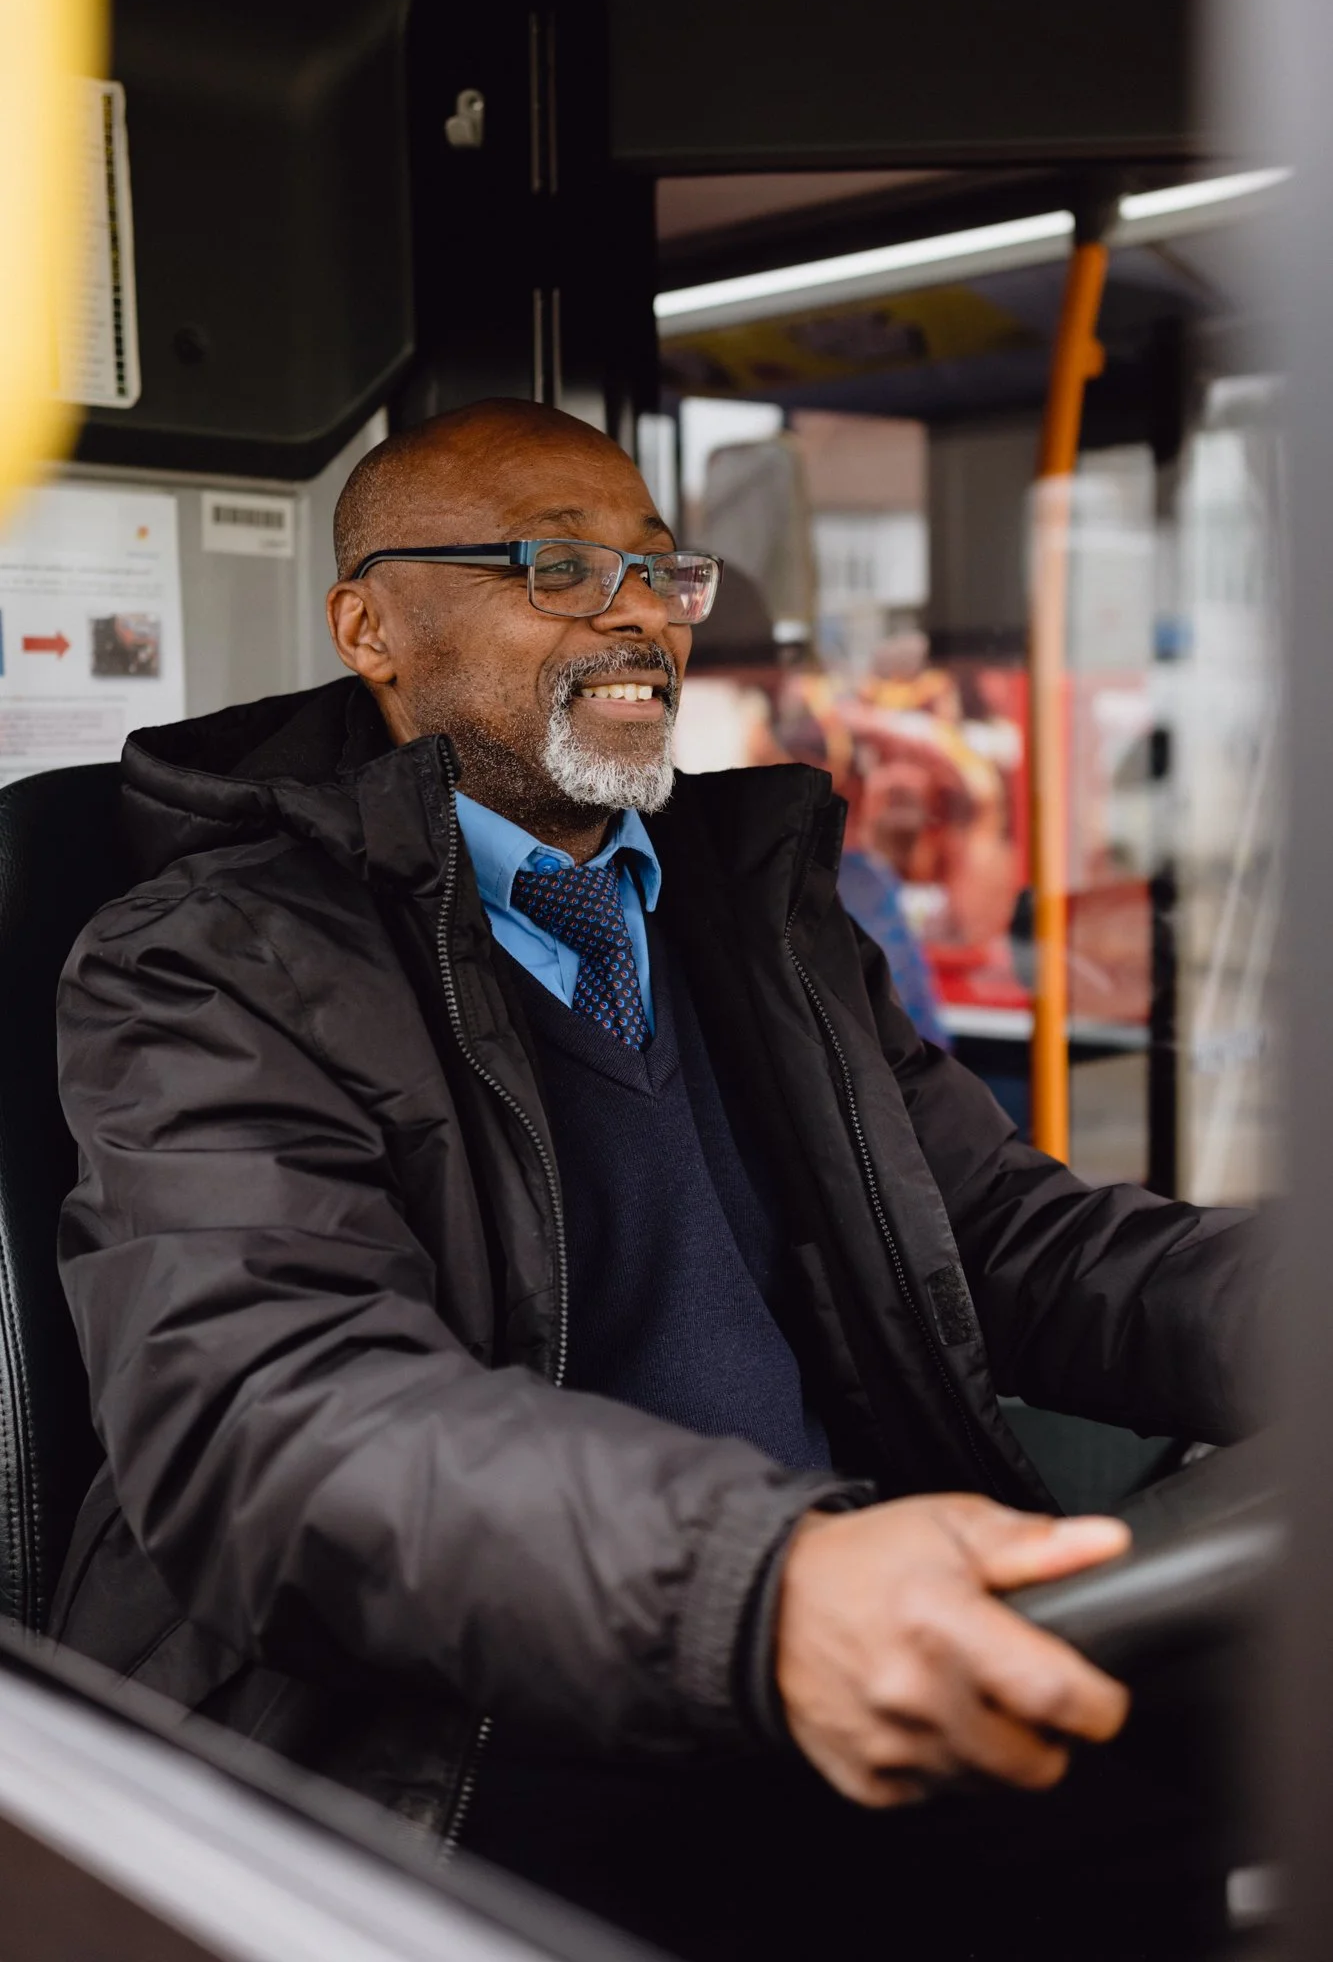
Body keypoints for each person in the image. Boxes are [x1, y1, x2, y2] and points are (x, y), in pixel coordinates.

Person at [53, 401, 1261, 1958]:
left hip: (815, 1666)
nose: (637, 610)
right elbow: (274, 1409)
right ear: (372, 626)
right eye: (555, 565)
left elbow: (1004, 1242)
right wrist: (760, 1594)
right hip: (462, 1765)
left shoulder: (743, 916)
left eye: (658, 569)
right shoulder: (208, 962)